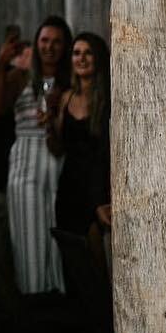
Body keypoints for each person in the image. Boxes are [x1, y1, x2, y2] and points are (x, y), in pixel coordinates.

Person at [0, 16, 71, 294]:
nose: (50, 47)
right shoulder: (21, 76)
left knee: (58, 228)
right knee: (29, 234)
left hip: (58, 158)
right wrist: (1, 63)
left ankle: (60, 295)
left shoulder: (68, 81)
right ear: (37, 43)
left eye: (57, 41)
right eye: (45, 40)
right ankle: (33, 296)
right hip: (26, 157)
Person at [48, 33, 112, 235]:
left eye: (88, 53)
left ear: (98, 58)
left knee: (95, 259)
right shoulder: (66, 97)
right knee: (71, 253)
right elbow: (58, 149)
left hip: (96, 187)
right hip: (69, 186)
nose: (81, 59)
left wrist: (104, 197)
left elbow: (106, 152)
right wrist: (49, 122)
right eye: (76, 53)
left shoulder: (108, 98)